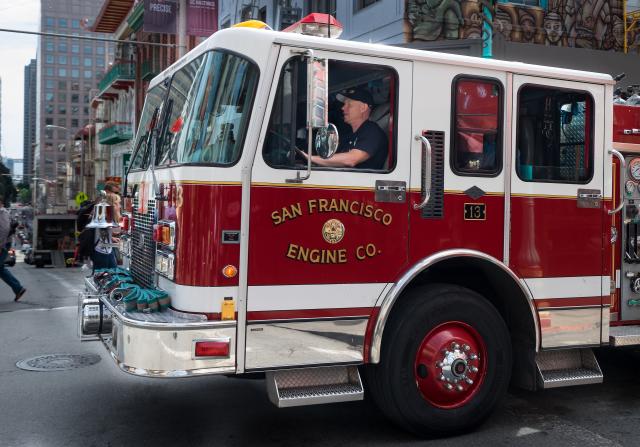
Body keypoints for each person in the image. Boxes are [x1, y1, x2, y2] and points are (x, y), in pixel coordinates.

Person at [301, 87, 387, 170]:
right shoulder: (348, 134)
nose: (343, 108)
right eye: (344, 104)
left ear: (363, 108)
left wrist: (311, 158)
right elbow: (335, 160)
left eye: (349, 105)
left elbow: (352, 160)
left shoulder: (372, 131)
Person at [0, 202, 25, 301]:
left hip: (3, 244)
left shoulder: (1, 212)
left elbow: (5, 230)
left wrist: (0, 245)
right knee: (0, 268)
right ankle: (18, 288)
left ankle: (18, 288)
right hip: (4, 244)